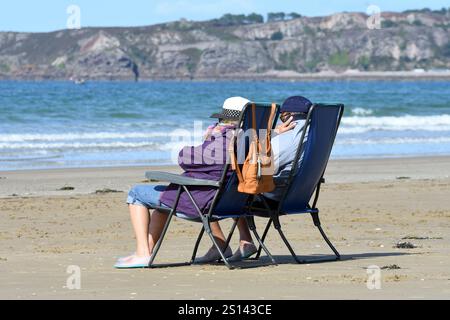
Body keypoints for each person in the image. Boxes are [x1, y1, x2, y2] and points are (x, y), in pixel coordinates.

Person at [114, 97, 251, 268]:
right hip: (232, 202)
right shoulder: (251, 141)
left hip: (206, 201)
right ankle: (147, 251)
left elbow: (184, 158)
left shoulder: (223, 143)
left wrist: (210, 140)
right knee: (164, 202)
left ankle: (143, 253)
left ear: (224, 120)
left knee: (136, 193)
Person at [202, 96, 312, 263]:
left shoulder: (289, 140)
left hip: (272, 196)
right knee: (236, 184)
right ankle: (245, 241)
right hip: (300, 195)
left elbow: (266, 167)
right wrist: (269, 135)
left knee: (215, 191)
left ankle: (221, 244)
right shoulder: (313, 134)